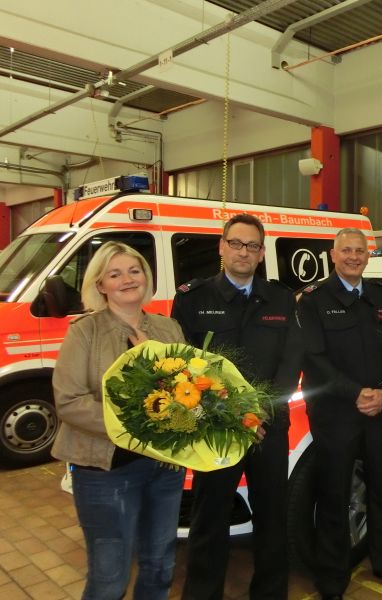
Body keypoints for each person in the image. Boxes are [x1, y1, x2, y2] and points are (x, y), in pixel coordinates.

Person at [172, 213, 301, 600]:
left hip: (267, 428)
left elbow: (290, 360)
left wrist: (261, 411)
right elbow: (183, 366)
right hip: (214, 431)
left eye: (252, 246)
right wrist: (227, 416)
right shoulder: (193, 298)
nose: (244, 252)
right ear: (221, 247)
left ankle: (270, 592)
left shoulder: (279, 297)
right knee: (209, 518)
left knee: (272, 517)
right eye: (236, 243)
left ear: (262, 253)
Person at [52, 241, 186, 600]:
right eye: (115, 274)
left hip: (163, 468)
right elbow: (69, 401)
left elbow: (187, 392)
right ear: (100, 285)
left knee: (160, 567)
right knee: (110, 577)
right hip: (104, 471)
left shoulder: (168, 329)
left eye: (134, 270)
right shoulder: (85, 332)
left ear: (146, 276)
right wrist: (135, 423)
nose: (127, 279)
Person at [294, 227, 382, 600]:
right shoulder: (312, 300)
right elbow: (313, 359)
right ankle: (333, 578)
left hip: (379, 411)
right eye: (346, 251)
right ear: (333, 254)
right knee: (333, 495)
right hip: (335, 415)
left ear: (367, 256)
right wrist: (357, 393)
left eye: (359, 251)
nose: (353, 257)